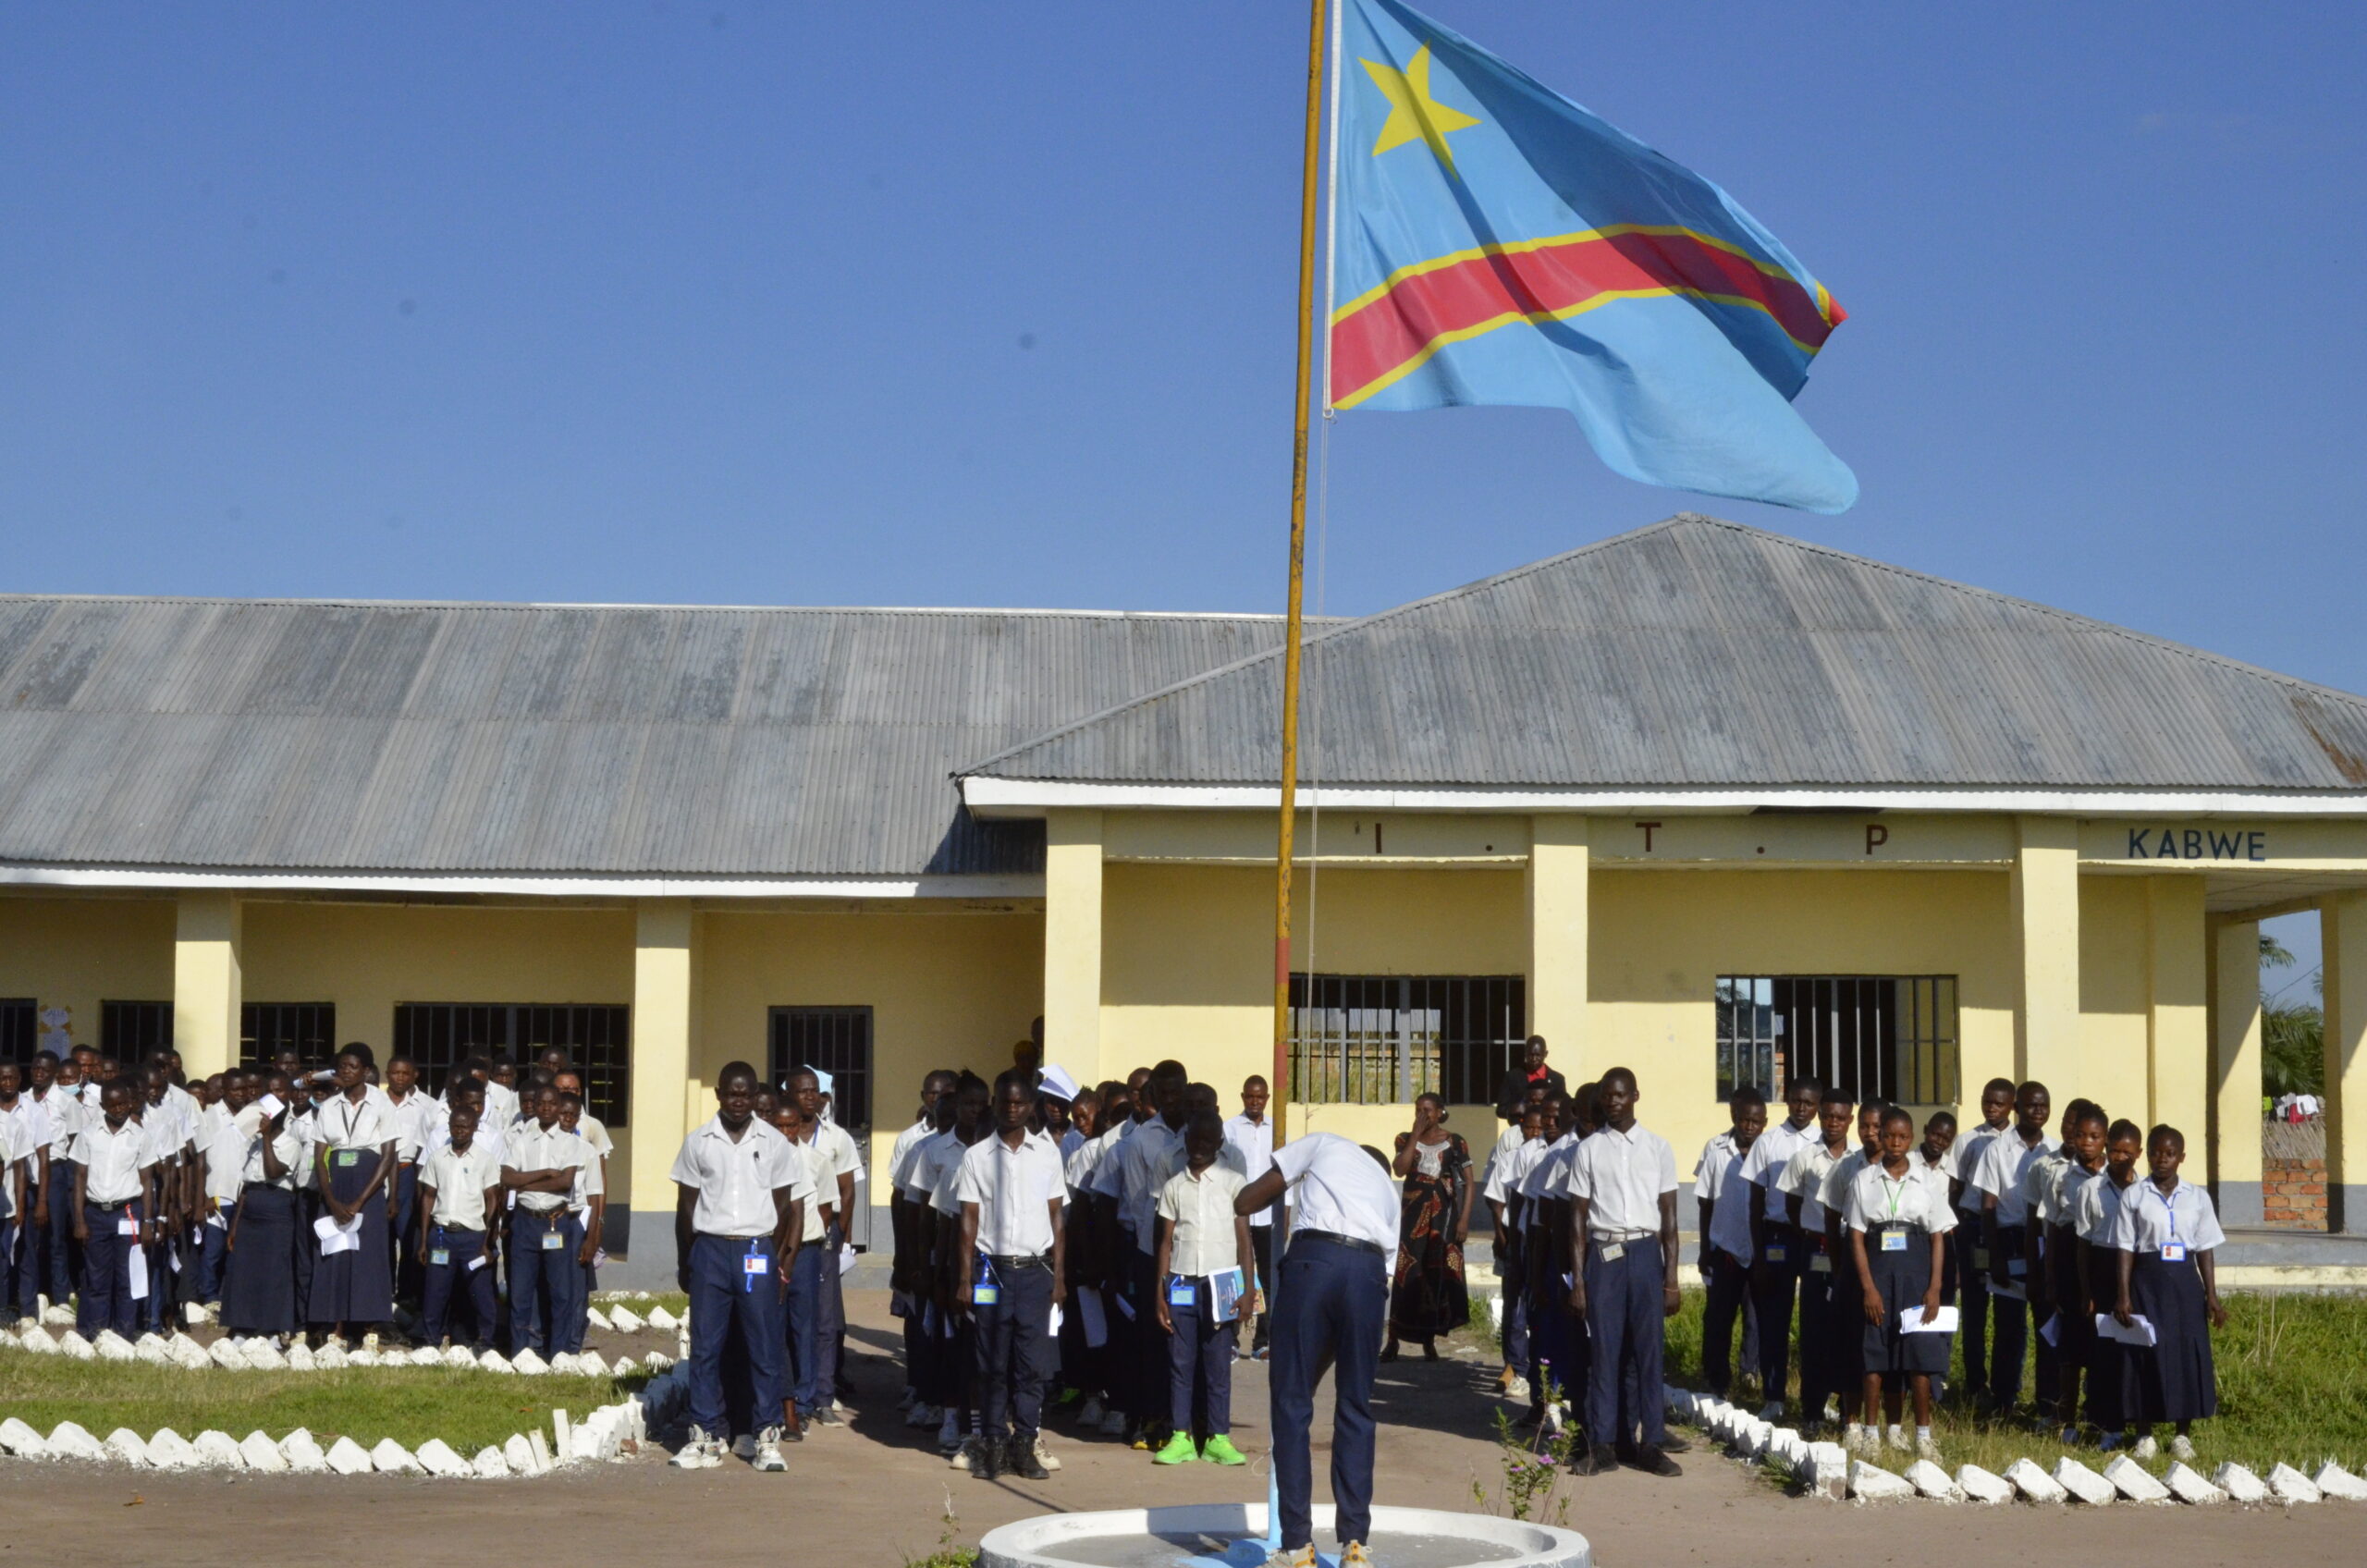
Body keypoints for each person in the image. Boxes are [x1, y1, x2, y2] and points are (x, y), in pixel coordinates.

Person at [1238, 1133, 1397, 1568]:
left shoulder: (1325, 1142)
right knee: (1355, 1408)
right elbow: (1385, 1274)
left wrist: (1238, 1197)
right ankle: (1355, 1545)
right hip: (1367, 1277)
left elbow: (1250, 1199)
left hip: (1314, 1263)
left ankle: (1297, 1546)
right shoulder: (1388, 1192)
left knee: (1291, 1406)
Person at [669, 1062, 807, 1472]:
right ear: (718, 1093)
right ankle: (705, 1435)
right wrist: (686, 1259)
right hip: (710, 1250)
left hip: (755, 1250)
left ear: (753, 1097)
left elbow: (784, 1202)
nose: (738, 1101)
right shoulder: (698, 1142)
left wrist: (775, 1254)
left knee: (764, 1345)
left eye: (746, 1095)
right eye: (731, 1093)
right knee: (706, 1347)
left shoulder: (774, 1142)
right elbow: (686, 1204)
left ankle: (765, 1435)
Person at [1564, 1067, 1681, 1477]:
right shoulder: (1589, 1150)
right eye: (1606, 1097)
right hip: (1604, 1254)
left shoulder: (1658, 1148)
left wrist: (1671, 1278)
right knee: (1604, 1353)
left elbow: (1669, 1217)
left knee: (1647, 1354)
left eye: (1619, 1095)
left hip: (1647, 1254)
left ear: (1635, 1095)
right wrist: (1578, 1280)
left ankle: (1649, 1443)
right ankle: (1603, 1445)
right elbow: (1577, 1218)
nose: (1612, 1102)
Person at [954, 1068, 1067, 1481]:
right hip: (991, 1274)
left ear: (1031, 1106)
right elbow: (968, 1221)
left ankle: (1026, 1445)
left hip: (1036, 1272)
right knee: (991, 1362)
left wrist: (1059, 1276)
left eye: (1020, 1102)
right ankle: (993, 1445)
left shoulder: (1048, 1154)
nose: (1013, 1109)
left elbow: (1057, 1218)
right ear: (995, 1106)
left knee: (1031, 1364)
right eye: (1005, 1102)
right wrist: (965, 1279)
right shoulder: (976, 1157)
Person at [2108, 1124, 2226, 1462]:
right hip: (2147, 1280)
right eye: (2157, 1152)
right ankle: (2144, 1433)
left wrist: (2211, 1295)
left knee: (2187, 1352)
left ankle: (2182, 1433)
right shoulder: (2135, 1195)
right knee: (2146, 1352)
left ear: (2181, 1158)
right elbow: (2125, 1247)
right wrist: (2124, 1294)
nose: (2163, 1159)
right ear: (2148, 1154)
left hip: (2185, 1283)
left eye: (2170, 1154)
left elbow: (2204, 1248)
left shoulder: (2198, 1197)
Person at [1844, 1105, 1953, 1459]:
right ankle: (1871, 1432)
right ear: (1880, 1135)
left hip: (1916, 1268)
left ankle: (1922, 1434)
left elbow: (1938, 1236)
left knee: (1919, 1355)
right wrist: (1868, 1287)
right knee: (1875, 1353)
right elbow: (1856, 1236)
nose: (1895, 1142)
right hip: (1879, 1267)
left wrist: (1935, 1287)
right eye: (1888, 1135)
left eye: (1902, 1136)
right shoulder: (1863, 1180)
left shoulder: (1928, 1180)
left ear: (1911, 1138)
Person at [1152, 1105, 1254, 1467]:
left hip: (1222, 1285)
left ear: (1219, 1143)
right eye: (1194, 1139)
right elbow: (1164, 1242)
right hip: (1180, 1283)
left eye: (1208, 1141)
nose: (1200, 1146)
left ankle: (1218, 1438)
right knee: (1180, 1363)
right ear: (1186, 1140)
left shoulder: (1234, 1184)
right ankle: (1181, 1436)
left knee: (1218, 1366)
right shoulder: (1173, 1187)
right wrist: (1160, 1292)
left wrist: (1248, 1291)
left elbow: (1244, 1242)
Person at [1970, 1079, 2055, 1415]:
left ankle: (2048, 1404)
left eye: (2044, 1105)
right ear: (2017, 1109)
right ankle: (2004, 1400)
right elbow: (1988, 1206)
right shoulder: (1997, 1149)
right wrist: (1996, 1258)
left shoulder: (2055, 1150)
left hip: (2044, 1243)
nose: (2038, 1111)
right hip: (2008, 1242)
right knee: (2009, 1329)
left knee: (2047, 1327)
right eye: (2032, 1105)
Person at [1739, 1076, 1821, 1420]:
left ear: (1817, 1106)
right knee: (1775, 1317)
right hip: (1778, 1239)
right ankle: (1774, 1396)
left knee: (1817, 1319)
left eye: (1809, 1103)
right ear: (1787, 1100)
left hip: (1816, 1238)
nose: (1802, 1108)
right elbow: (1755, 1204)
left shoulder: (1825, 1142)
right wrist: (1758, 1255)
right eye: (1796, 1101)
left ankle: (1816, 1400)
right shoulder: (1767, 1142)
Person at [784, 1067, 861, 1425]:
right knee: (789, 1321)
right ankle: (791, 1394)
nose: (810, 1096)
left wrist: (838, 1237)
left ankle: (823, 1396)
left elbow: (847, 1191)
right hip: (784, 1246)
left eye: (815, 1090)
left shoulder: (837, 1138)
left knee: (825, 1321)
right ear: (789, 1094)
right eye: (803, 1090)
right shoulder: (777, 1136)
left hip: (821, 1241)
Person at [308, 1046, 399, 1342]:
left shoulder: (382, 1103)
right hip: (335, 1184)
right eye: (341, 1067)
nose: (346, 1072)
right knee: (334, 1252)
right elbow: (320, 1157)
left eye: (352, 1067)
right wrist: (331, 1200)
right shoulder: (329, 1107)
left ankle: (364, 1326)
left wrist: (360, 1201)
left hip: (368, 1184)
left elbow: (387, 1157)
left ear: (366, 1071)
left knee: (366, 1255)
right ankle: (333, 1325)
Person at [1777, 1087, 1854, 1430]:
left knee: (1847, 1328)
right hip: (1817, 1250)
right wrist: (1809, 1235)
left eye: (1840, 1117)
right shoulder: (1804, 1158)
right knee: (1815, 1329)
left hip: (1852, 1250)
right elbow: (1792, 1205)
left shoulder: (1860, 1160)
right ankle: (1811, 1410)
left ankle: (1845, 1405)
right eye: (1828, 1116)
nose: (1833, 1123)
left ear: (1850, 1119)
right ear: (1820, 1117)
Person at [504, 1084, 598, 1358]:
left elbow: (564, 1183)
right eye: (541, 1103)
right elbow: (507, 1177)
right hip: (525, 1222)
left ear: (559, 1108)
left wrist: (525, 1184)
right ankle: (519, 1352)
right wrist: (545, 1173)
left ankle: (558, 1354)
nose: (546, 1108)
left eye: (551, 1103)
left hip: (556, 1222)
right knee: (521, 1292)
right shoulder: (522, 1141)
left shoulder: (571, 1143)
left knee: (561, 1293)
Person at [889, 1069, 958, 1422]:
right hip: (929, 1251)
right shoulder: (919, 1146)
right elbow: (906, 1202)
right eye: (934, 1096)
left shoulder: (980, 1148)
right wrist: (907, 1257)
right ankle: (923, 1390)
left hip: (965, 1257)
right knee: (924, 1324)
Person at [1385, 1092, 1473, 1362]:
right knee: (1406, 1274)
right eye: (1418, 1110)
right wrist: (1414, 1135)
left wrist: (1464, 1219)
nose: (1422, 1115)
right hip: (1412, 1220)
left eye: (1428, 1110)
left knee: (1435, 1277)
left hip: (1442, 1220)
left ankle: (1429, 1340)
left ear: (1439, 1113)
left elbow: (1469, 1183)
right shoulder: (1404, 1138)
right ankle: (1393, 1341)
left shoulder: (1455, 1142)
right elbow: (1400, 1169)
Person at [1946, 1077, 2018, 1403]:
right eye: (1987, 1101)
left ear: (2011, 1105)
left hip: (2007, 1232)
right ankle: (1976, 1384)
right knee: (1975, 1311)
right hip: (1973, 1230)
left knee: (2010, 1312)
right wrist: (1962, 1230)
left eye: (1999, 1103)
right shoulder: (1968, 1141)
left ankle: (2008, 1387)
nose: (1992, 1108)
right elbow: (1955, 1191)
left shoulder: (2020, 1143)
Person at [69, 1079, 159, 1339]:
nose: (118, 1109)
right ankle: (95, 1332)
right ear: (102, 1105)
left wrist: (148, 1223)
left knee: (127, 1277)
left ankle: (125, 1333)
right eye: (112, 1105)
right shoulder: (88, 1134)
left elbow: (147, 1180)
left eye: (123, 1104)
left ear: (130, 1103)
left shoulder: (141, 1136)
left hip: (128, 1212)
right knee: (96, 1278)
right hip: (95, 1214)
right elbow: (79, 1178)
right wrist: (80, 1220)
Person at [2040, 1102, 2107, 1439]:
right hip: (2068, 1261)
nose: (2085, 1143)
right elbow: (2052, 1227)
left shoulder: (2117, 1176)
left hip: (2104, 1264)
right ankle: (2064, 1419)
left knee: (2101, 1343)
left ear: (2104, 1140)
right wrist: (2051, 1278)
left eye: (2093, 1137)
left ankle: (2098, 1415)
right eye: (2080, 1135)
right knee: (2070, 1345)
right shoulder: (2061, 1175)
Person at [1695, 1087, 1766, 1401]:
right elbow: (1705, 1203)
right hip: (1725, 1250)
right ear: (1735, 1118)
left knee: (1757, 1317)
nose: (1749, 1126)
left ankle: (1750, 1372)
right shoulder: (1717, 1152)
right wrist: (1704, 1249)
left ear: (1764, 1123)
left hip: (1759, 1251)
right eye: (1744, 1120)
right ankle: (1716, 1377)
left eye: (1755, 1121)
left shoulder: (1770, 1153)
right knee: (1719, 1317)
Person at [220, 1072, 303, 1340]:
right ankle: (243, 1327)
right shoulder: (253, 1144)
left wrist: (267, 1138)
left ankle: (270, 1331)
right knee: (244, 1272)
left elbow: (273, 1170)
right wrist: (234, 1226)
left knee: (273, 1272)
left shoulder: (290, 1143)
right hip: (250, 1211)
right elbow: (246, 1186)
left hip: (275, 1209)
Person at [2077, 1119, 2143, 1450]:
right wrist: (2087, 1291)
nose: (2120, 1157)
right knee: (2103, 1353)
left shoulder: (2146, 1190)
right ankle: (2107, 1425)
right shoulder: (2091, 1189)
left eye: (2127, 1152)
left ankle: (2139, 1424)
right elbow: (2084, 1244)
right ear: (2107, 1150)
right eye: (2115, 1150)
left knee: (2136, 1351)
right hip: (2103, 1269)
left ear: (2139, 1153)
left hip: (2137, 1273)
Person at [415, 1105, 502, 1353]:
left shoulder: (485, 1159)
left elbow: (493, 1199)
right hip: (441, 1236)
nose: (460, 1131)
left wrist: (488, 1240)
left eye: (465, 1127)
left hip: (472, 1238)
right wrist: (423, 1240)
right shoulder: (437, 1157)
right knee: (435, 1293)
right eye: (455, 1126)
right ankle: (431, 1342)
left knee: (481, 1294)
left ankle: (486, 1342)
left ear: (474, 1128)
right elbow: (428, 1197)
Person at [1221, 1075, 1277, 1360]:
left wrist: (1285, 1214)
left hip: (1267, 1214)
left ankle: (1262, 1342)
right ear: (1243, 1097)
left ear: (1267, 1098)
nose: (1255, 1102)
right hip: (1238, 1215)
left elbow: (1285, 1175)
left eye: (1260, 1097)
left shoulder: (1277, 1131)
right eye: (1250, 1097)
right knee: (1235, 1276)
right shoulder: (1229, 1129)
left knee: (1268, 1278)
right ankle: (1230, 1341)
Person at [0, 1064, 30, 1328]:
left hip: (4, 1205)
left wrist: (20, 1206)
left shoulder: (13, 1124)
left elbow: (20, 1167)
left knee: (3, 1262)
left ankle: (2, 1311)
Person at [1493, 1035, 1568, 1122]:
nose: (1534, 1059)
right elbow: (1500, 1110)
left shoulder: (1557, 1080)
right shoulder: (1512, 1077)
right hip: (1521, 1130)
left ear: (1546, 1054)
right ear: (1525, 1053)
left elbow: (1564, 1108)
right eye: (1530, 1055)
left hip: (1548, 1130)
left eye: (1538, 1055)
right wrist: (1515, 1109)